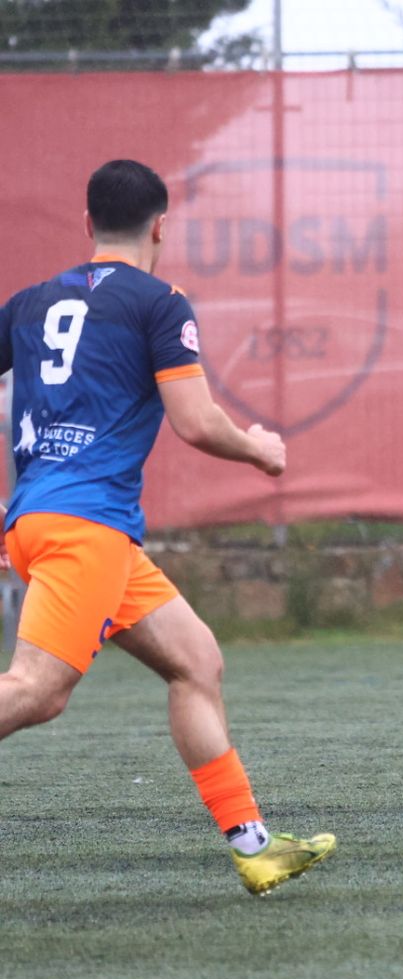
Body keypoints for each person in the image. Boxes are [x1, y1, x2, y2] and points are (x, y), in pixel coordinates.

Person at [0, 159, 335, 896]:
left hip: (66, 525)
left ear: (87, 224)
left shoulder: (26, 303)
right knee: (36, 690)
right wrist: (258, 447)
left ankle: (254, 846)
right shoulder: (161, 303)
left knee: (196, 661)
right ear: (160, 228)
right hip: (83, 527)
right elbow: (195, 422)